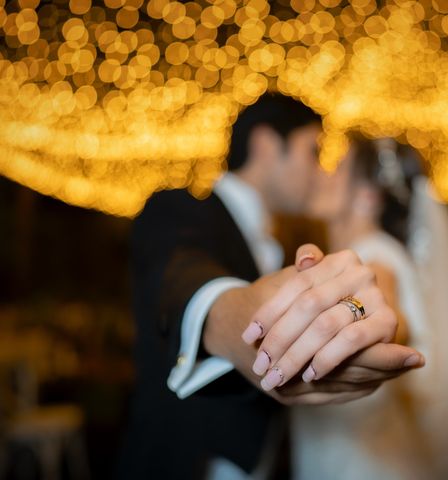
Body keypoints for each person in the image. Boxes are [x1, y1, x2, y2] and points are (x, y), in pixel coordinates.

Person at [116, 94, 425, 480]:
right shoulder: (178, 208)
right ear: (265, 145)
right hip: (182, 461)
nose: (319, 171)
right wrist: (236, 319)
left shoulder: (291, 251)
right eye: (312, 151)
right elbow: (183, 275)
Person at [291, 136, 448, 480]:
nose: (324, 173)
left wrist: (371, 318)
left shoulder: (376, 257)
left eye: (339, 167)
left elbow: (387, 314)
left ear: (366, 196)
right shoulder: (354, 254)